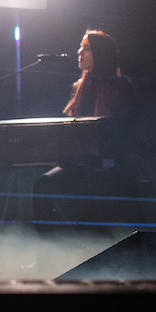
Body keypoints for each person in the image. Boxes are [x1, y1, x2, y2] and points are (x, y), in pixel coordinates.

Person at [34, 28, 140, 225]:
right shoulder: (78, 88)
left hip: (110, 165)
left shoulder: (121, 86)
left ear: (101, 54)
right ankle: (49, 240)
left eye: (86, 48)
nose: (79, 52)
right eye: (80, 47)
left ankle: (94, 234)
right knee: (43, 184)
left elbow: (125, 131)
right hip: (79, 163)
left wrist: (106, 156)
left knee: (90, 187)